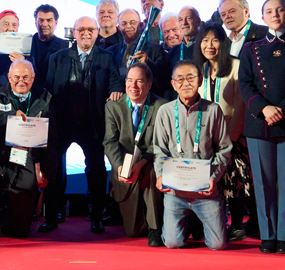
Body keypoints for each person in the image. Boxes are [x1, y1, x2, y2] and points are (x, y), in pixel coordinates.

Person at [238, 0, 285, 254]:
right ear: (262, 17)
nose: (275, 14)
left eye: (280, 10)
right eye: (269, 11)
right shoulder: (251, 48)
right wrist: (264, 108)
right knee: (263, 184)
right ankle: (267, 237)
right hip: (260, 123)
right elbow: (245, 84)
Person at [42, 16, 123, 234]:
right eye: (82, 29)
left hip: (93, 125)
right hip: (63, 124)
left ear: (97, 32)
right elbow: (48, 90)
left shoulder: (107, 57)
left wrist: (116, 91)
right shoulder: (58, 58)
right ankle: (53, 215)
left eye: (90, 29)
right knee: (53, 168)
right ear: (74, 33)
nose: (86, 33)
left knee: (97, 170)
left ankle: (96, 216)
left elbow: (115, 83)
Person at [153, 61, 232, 250]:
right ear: (173, 84)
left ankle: (210, 218)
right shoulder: (165, 111)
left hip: (205, 191)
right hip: (175, 192)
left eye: (190, 78)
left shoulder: (213, 110)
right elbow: (159, 149)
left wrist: (213, 177)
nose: (186, 83)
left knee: (218, 245)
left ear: (200, 81)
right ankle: (187, 225)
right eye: (180, 79)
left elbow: (224, 148)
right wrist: (160, 175)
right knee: (172, 243)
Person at [0, 59, 55, 240]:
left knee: (20, 231)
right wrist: (8, 118)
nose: (21, 81)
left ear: (33, 77)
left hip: (25, 157)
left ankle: (3, 217)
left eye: (26, 77)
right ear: (9, 77)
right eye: (16, 77)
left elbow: (52, 138)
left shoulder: (44, 99)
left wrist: (44, 170)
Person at [193, 21, 253, 240]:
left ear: (223, 43)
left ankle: (237, 224)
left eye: (215, 40)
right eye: (205, 40)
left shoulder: (237, 66)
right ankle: (211, 223)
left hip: (233, 135)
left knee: (233, 179)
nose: (209, 45)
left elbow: (240, 106)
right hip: (205, 137)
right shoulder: (199, 70)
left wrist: (229, 139)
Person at [102, 62, 168, 245]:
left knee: (152, 172)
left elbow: (161, 144)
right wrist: (119, 166)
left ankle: (155, 229)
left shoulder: (161, 106)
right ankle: (151, 221)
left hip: (149, 163)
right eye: (129, 80)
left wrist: (142, 163)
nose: (133, 86)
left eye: (139, 81)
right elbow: (110, 142)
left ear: (149, 85)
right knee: (132, 231)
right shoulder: (113, 106)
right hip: (125, 167)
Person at [107, 8, 169, 97]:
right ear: (119, 27)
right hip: (119, 101)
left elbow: (163, 81)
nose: (128, 26)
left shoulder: (155, 49)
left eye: (132, 22)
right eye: (124, 23)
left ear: (140, 25)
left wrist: (148, 63)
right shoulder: (110, 52)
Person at [28, 4, 69, 93]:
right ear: (35, 22)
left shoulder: (66, 46)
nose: (45, 24)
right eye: (41, 20)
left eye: (49, 20)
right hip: (30, 95)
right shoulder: (25, 44)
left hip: (56, 96)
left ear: (56, 23)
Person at [167, 6, 203, 73]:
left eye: (189, 18)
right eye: (181, 20)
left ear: (198, 22)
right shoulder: (173, 52)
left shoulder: (206, 47)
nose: (184, 23)